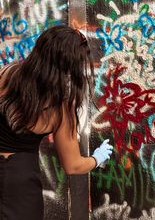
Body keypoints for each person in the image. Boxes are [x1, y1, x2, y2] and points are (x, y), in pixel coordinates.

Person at [0, 25, 113, 220]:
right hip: (21, 186)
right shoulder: (60, 108)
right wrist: (97, 158)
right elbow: (73, 165)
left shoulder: (6, 74)